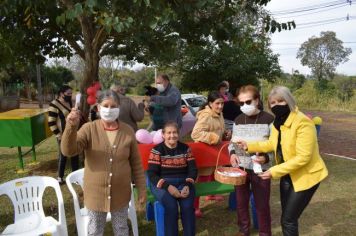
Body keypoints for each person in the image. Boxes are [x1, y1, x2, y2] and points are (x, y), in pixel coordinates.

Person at [236, 86, 328, 236]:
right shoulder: (278, 123)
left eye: (280, 101)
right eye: (272, 103)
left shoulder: (303, 122)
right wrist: (249, 146)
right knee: (288, 218)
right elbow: (271, 144)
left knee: (288, 219)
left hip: (306, 177)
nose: (276, 105)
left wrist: (273, 171)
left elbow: (303, 157)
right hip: (288, 174)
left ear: (289, 101)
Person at [61, 90, 147, 236]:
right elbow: (68, 151)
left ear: (119, 108)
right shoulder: (89, 129)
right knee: (95, 230)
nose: (109, 109)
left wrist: (142, 188)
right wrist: (71, 127)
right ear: (98, 108)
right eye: (105, 105)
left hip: (121, 193)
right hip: (95, 194)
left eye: (113, 106)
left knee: (121, 229)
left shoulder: (128, 131)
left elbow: (136, 163)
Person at [229, 85, 274, 236]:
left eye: (248, 101)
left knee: (261, 205)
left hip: (261, 170)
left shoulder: (269, 119)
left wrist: (266, 157)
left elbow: (277, 147)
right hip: (240, 169)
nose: (244, 106)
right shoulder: (238, 120)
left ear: (257, 99)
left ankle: (265, 233)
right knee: (241, 204)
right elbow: (232, 143)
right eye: (241, 103)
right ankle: (243, 231)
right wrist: (232, 154)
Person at [147, 121, 197, 236]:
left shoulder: (185, 149)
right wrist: (168, 187)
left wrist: (187, 185)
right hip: (163, 184)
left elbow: (193, 170)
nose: (172, 135)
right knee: (171, 206)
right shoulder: (157, 150)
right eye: (168, 133)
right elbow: (152, 174)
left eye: (174, 132)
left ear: (178, 134)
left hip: (184, 183)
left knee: (187, 207)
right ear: (163, 135)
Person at [191, 91, 231, 217]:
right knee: (201, 180)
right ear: (210, 103)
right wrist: (214, 137)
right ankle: (195, 207)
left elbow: (219, 130)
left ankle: (211, 195)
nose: (220, 106)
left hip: (214, 153)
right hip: (204, 153)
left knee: (213, 174)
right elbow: (195, 134)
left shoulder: (219, 114)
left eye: (222, 103)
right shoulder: (206, 116)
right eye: (217, 103)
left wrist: (225, 134)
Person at [48, 85, 79, 184]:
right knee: (63, 155)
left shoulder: (70, 102)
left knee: (75, 154)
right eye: (68, 94)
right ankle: (60, 178)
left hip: (73, 133)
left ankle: (75, 177)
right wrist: (59, 135)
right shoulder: (54, 104)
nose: (70, 95)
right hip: (62, 135)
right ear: (62, 93)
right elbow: (51, 122)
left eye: (71, 93)